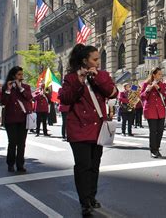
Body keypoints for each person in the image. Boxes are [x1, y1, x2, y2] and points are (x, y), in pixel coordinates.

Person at [58, 44, 118, 216]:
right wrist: (80, 79)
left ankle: (92, 196)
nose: (98, 63)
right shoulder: (71, 77)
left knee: (94, 165)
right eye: (95, 59)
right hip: (78, 128)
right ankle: (84, 202)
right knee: (83, 166)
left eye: (98, 59)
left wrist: (97, 78)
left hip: (98, 129)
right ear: (85, 60)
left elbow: (113, 93)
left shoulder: (102, 75)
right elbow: (65, 98)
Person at [1, 66, 33, 172]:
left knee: (21, 143)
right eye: (19, 74)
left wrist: (21, 88)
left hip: (23, 119)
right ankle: (10, 163)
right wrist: (8, 90)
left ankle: (20, 164)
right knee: (12, 142)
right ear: (13, 75)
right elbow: (3, 102)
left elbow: (29, 98)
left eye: (21, 74)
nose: (21, 76)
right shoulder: (6, 87)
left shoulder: (26, 87)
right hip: (10, 119)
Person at [140, 67, 166, 158]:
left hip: (161, 111)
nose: (161, 76)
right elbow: (142, 97)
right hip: (151, 111)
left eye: (161, 74)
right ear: (154, 74)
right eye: (159, 74)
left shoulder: (162, 84)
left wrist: (159, 88)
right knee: (153, 131)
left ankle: (157, 148)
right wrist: (148, 90)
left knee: (160, 131)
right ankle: (153, 150)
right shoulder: (146, 84)